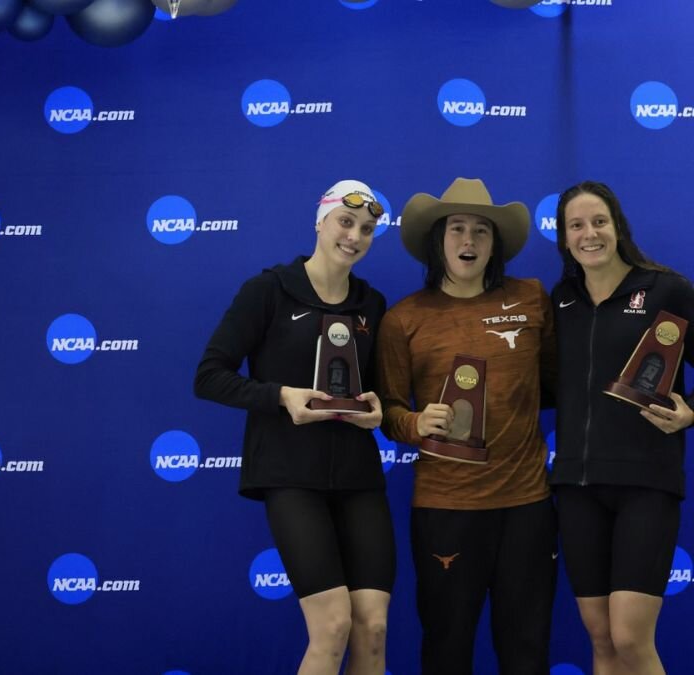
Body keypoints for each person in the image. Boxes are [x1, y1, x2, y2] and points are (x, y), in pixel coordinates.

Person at [195, 180, 394, 674]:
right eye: (345, 222)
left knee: (372, 628)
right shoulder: (268, 290)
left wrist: (380, 410)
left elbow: (379, 393)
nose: (354, 236)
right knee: (332, 626)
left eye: (366, 229)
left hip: (358, 478)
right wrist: (280, 397)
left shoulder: (372, 304)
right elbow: (210, 376)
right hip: (290, 474)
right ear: (320, 222)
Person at [374, 177, 557, 674]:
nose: (469, 240)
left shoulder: (531, 298)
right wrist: (416, 422)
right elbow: (388, 411)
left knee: (526, 651)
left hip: (527, 505)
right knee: (447, 649)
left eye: (481, 230)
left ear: (495, 243)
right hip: (445, 507)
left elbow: (556, 383)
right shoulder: (403, 319)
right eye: (457, 228)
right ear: (438, 239)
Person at [550, 181, 694, 675]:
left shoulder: (667, 290)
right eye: (576, 225)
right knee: (601, 638)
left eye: (599, 222)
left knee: (631, 638)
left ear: (618, 227)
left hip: (645, 483)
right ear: (564, 237)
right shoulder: (561, 301)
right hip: (576, 486)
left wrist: (691, 412)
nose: (589, 234)